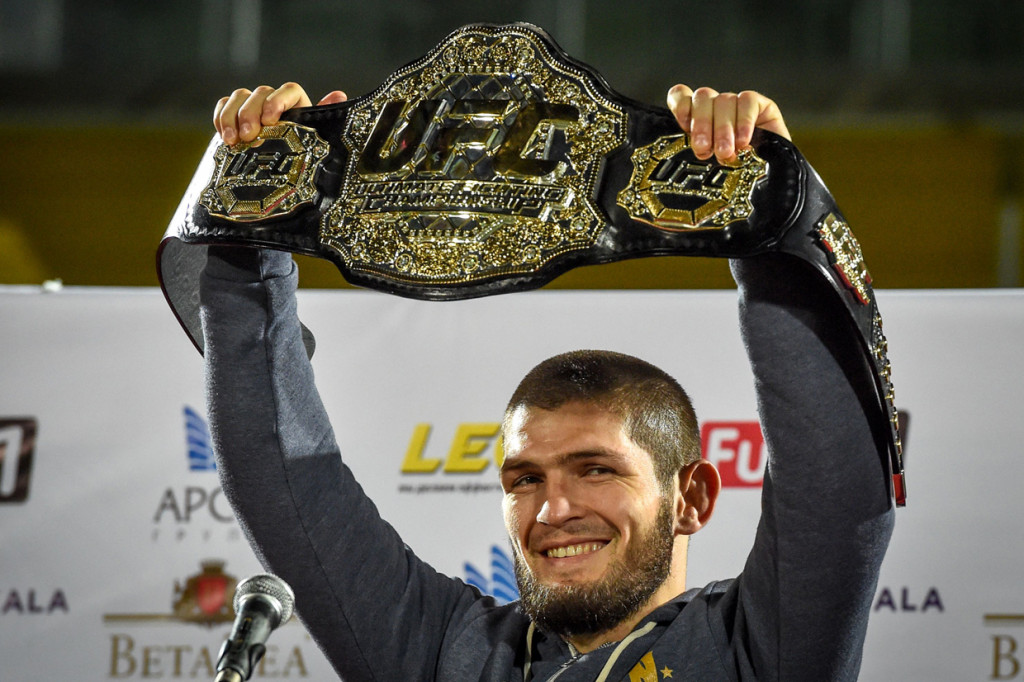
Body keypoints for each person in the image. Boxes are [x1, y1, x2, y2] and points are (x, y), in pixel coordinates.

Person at [200, 81, 894, 681]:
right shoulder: (448, 655)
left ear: (691, 496)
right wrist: (254, 212)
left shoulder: (758, 654)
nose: (553, 511)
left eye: (595, 470)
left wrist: (773, 214)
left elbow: (836, 482)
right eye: (525, 479)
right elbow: (282, 475)